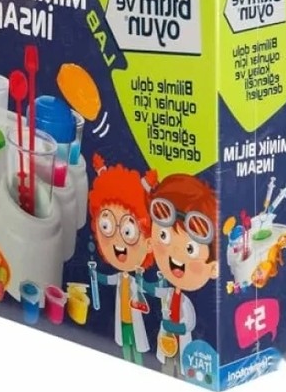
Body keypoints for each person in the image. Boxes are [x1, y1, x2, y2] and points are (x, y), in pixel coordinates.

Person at [143, 171, 218, 377]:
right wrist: (140, 280)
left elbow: (189, 324)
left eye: (190, 248)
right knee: (166, 368)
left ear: (214, 267)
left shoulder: (185, 302)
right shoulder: (169, 293)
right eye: (163, 235)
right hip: (165, 343)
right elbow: (153, 290)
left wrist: (174, 327)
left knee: (183, 372)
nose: (175, 253)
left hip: (183, 346)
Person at [88, 154, 153, 365]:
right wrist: (94, 274)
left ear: (149, 240)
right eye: (106, 226)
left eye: (128, 231)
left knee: (138, 351)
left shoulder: (135, 280)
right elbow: (107, 280)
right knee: (125, 347)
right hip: (122, 321)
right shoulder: (119, 278)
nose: (117, 241)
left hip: (135, 319)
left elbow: (150, 289)